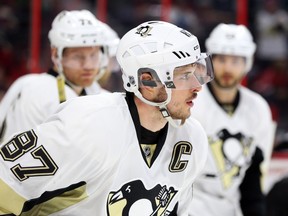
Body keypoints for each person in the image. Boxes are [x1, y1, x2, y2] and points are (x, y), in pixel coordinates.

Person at [0, 20, 214, 215]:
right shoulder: (88, 124)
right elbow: (5, 184)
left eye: (197, 73)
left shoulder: (192, 138)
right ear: (147, 81)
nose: (197, 87)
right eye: (185, 76)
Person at [188, 23, 275, 216]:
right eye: (222, 60)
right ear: (210, 61)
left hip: (232, 209)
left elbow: (253, 176)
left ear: (247, 63)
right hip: (190, 206)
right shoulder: (190, 100)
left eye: (236, 61)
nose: (228, 68)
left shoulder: (258, 108)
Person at [0, 9, 119, 142]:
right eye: (77, 57)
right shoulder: (43, 92)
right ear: (56, 54)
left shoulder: (28, 82)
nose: (89, 65)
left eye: (94, 55)